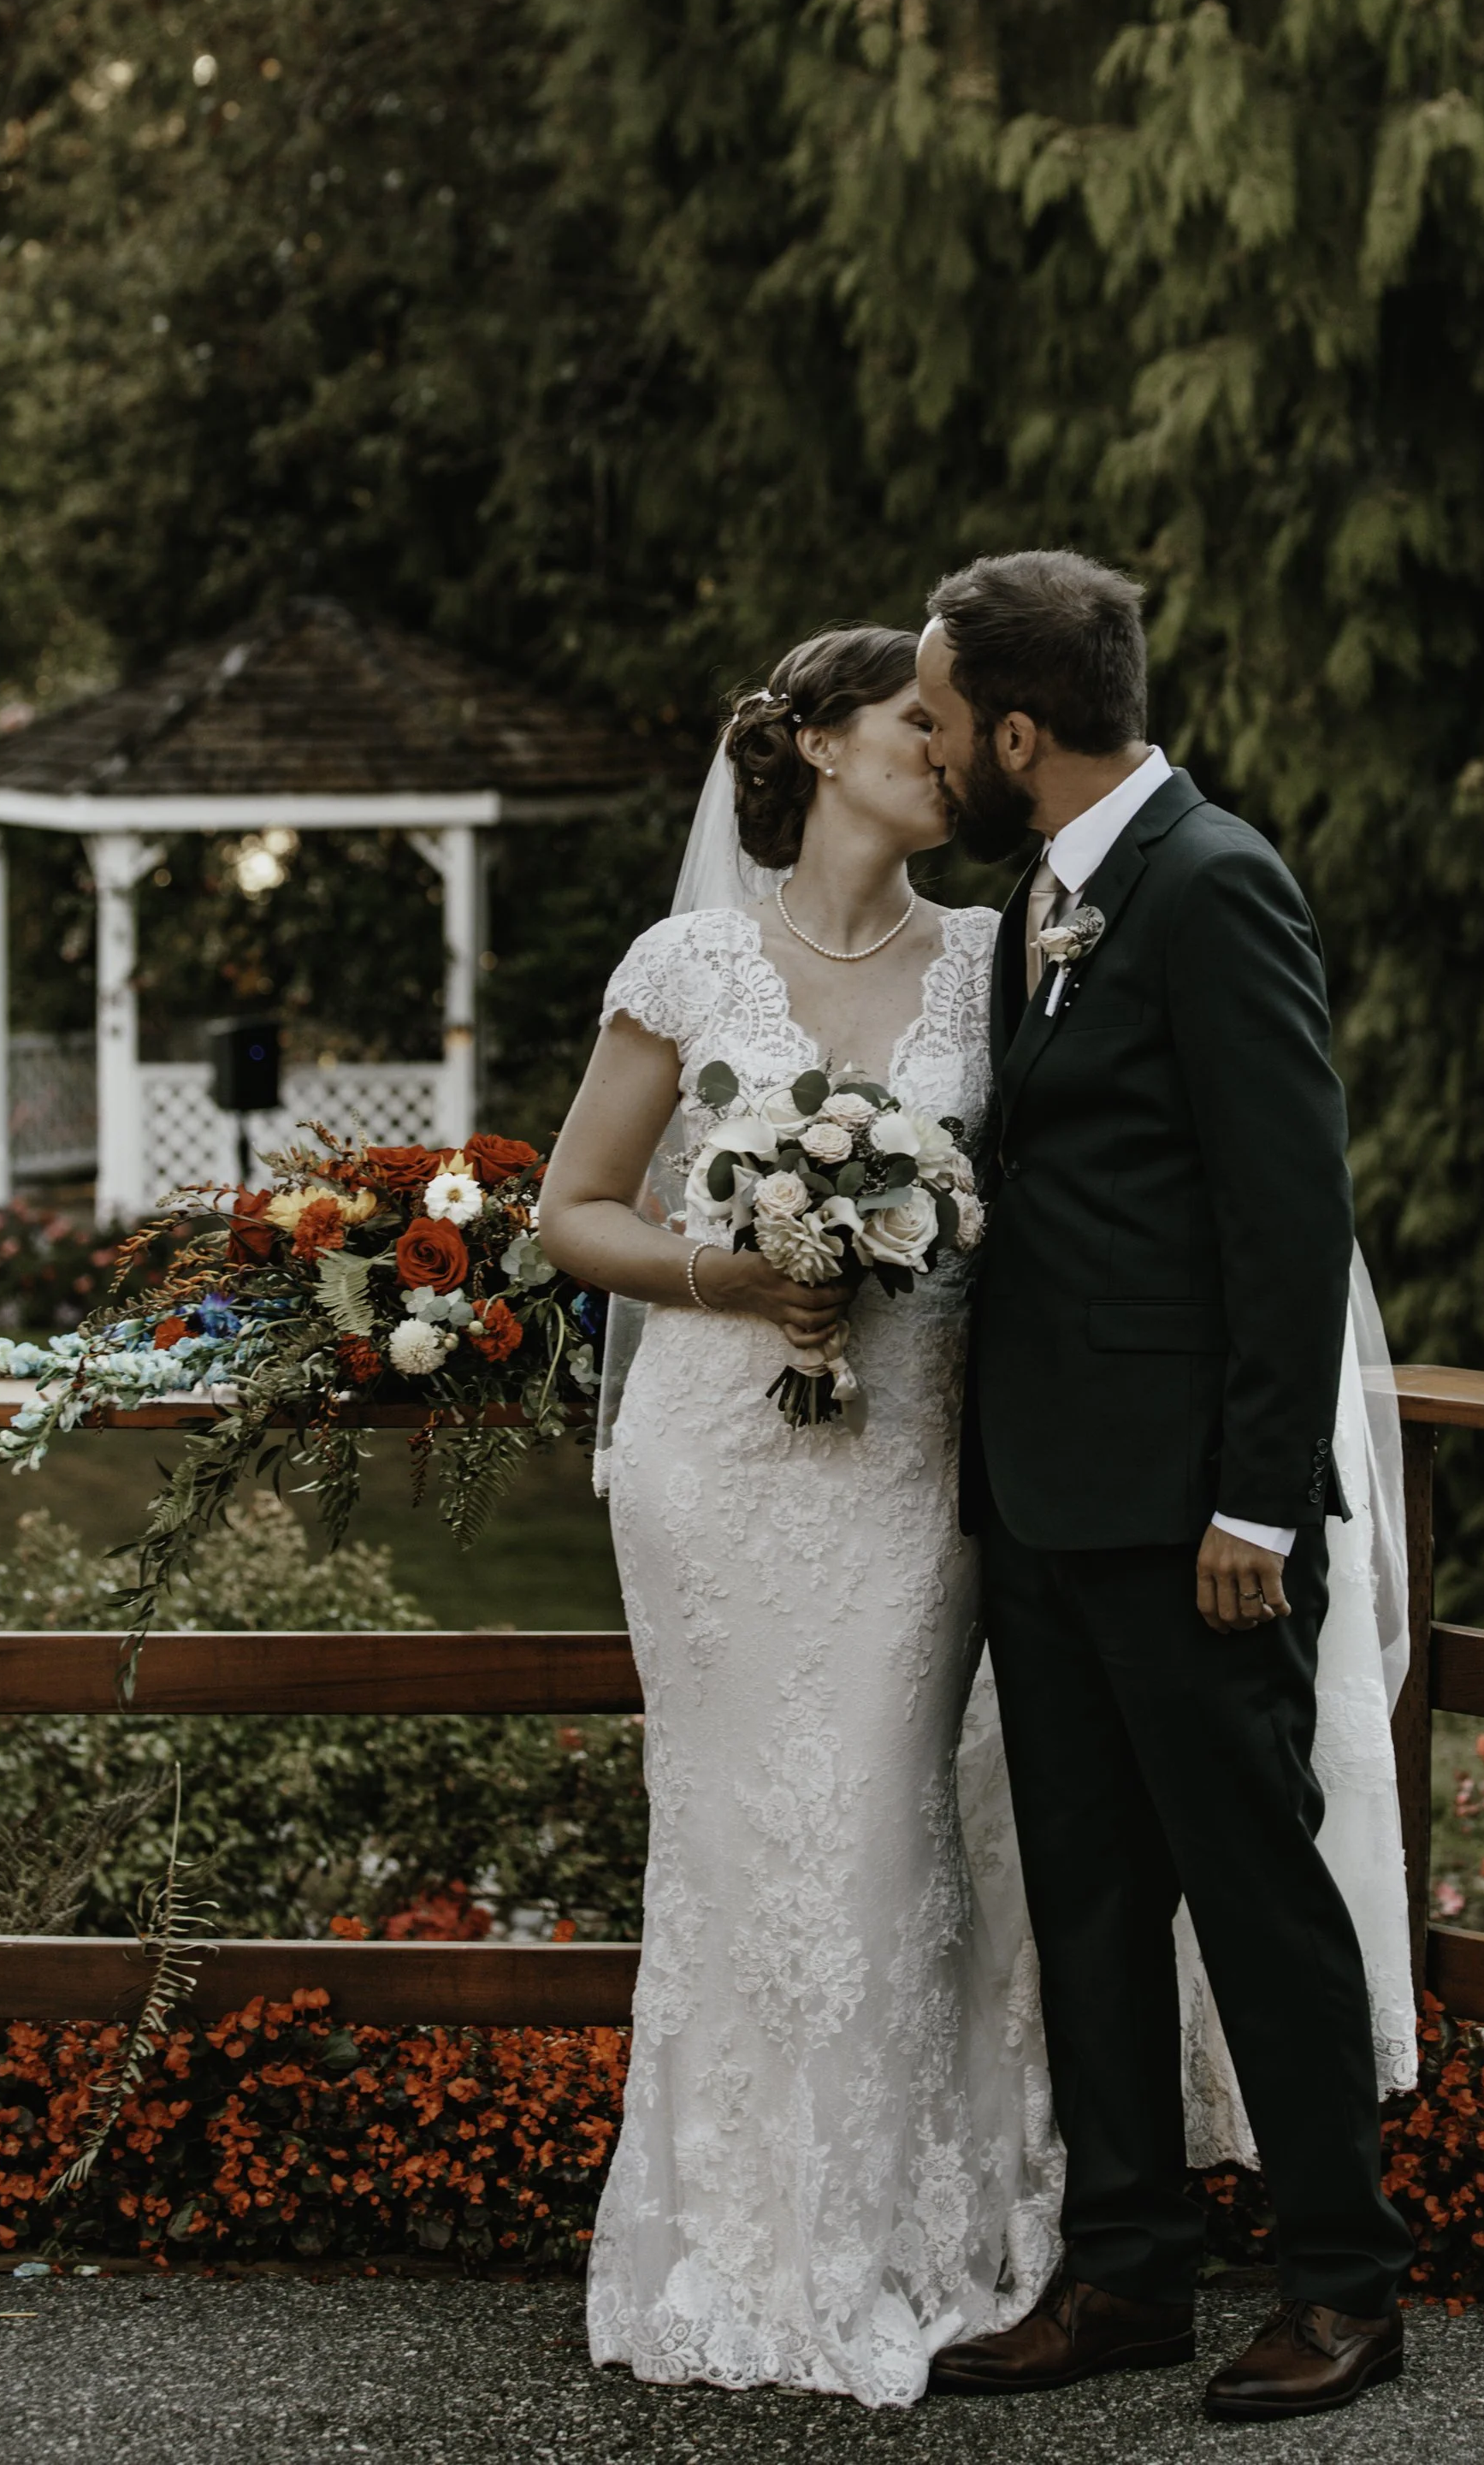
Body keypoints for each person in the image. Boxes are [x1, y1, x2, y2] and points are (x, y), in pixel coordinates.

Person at [535, 625, 1063, 2406]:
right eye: (919, 722)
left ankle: (887, 2236)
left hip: (911, 1470)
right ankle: (731, 2240)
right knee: (737, 1844)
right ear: (824, 749)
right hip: (713, 1466)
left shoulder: (996, 963)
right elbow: (573, 1215)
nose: (954, 750)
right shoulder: (689, 964)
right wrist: (736, 1270)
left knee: (881, 1829)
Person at [915, 548, 1413, 2423]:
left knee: (1254, 1897)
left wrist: (1256, 1511)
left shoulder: (1212, 886)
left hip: (1192, 1530)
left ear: (1022, 730)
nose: (940, 748)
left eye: (952, 720)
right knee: (1090, 1902)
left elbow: (1290, 1224)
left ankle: (1345, 2285)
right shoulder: (1043, 895)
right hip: (1039, 1507)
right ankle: (1124, 2270)